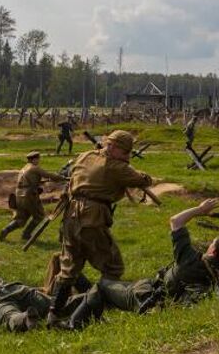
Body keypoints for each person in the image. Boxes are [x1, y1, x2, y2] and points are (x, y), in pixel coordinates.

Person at [63, 199, 219, 330]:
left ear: (213, 251)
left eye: (212, 243)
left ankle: (72, 325)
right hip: (157, 303)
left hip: (144, 297)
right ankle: (84, 308)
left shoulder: (190, 259)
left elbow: (175, 220)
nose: (209, 243)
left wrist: (199, 210)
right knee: (101, 293)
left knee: (102, 286)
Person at [47, 130, 153, 327]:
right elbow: (144, 180)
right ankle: (92, 309)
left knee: (69, 268)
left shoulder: (86, 155)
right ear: (111, 147)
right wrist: (132, 168)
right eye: (125, 152)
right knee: (113, 267)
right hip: (92, 218)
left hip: (71, 217)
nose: (127, 157)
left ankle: (53, 315)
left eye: (129, 153)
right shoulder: (115, 166)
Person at [0, 151, 68, 242]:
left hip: (19, 194)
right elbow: (48, 175)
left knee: (21, 218)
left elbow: (32, 180)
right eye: (38, 158)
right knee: (39, 216)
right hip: (29, 195)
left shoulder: (24, 168)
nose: (39, 160)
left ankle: (5, 230)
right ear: (34, 159)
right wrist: (63, 178)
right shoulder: (34, 168)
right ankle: (26, 234)